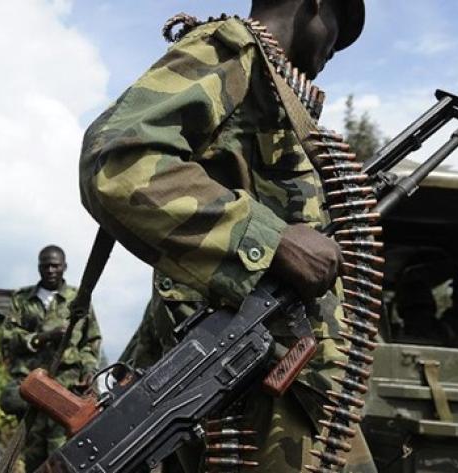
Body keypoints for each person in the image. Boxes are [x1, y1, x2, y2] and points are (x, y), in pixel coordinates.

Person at [79, 0, 377, 472]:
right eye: (340, 24)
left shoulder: (276, 90)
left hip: (297, 390)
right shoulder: (233, 50)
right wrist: (272, 240)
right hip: (248, 392)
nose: (337, 47)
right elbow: (117, 161)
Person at [0, 245, 102, 472]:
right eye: (45, 265)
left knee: (62, 454)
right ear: (38, 267)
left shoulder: (78, 299)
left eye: (55, 265)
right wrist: (44, 337)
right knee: (33, 454)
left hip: (66, 387)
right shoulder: (23, 299)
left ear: (64, 267)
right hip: (32, 388)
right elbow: (8, 339)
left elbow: (90, 341)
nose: (50, 270)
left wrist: (88, 369)